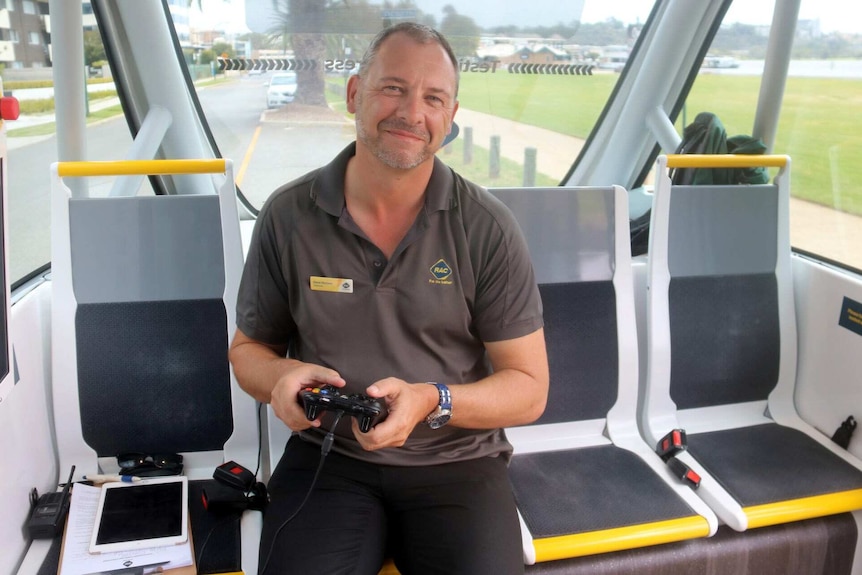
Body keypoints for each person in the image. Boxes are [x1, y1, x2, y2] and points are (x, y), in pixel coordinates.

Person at [229, 22, 549, 575]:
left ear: (450, 118)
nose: (411, 113)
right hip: (329, 459)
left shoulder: (488, 228)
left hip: (459, 460)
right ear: (355, 93)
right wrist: (279, 379)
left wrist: (432, 400)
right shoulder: (287, 216)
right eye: (393, 88)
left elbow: (529, 389)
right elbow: (249, 350)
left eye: (433, 98)